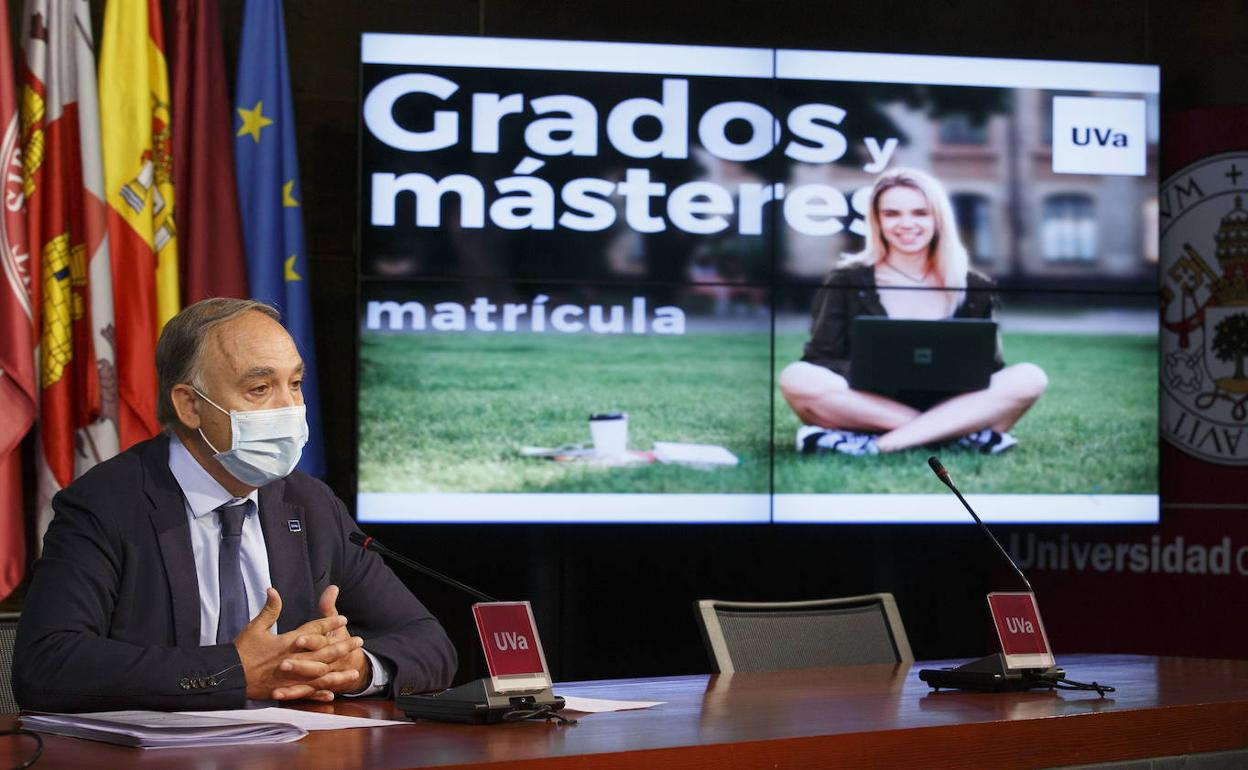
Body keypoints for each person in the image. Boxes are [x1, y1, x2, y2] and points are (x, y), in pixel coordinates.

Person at [14, 298, 457, 712]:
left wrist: (354, 669)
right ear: (189, 405)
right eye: (260, 388)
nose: (289, 407)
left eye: (296, 384)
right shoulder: (107, 504)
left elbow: (430, 643)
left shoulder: (310, 503)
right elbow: (47, 663)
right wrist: (233, 671)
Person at [779, 168, 1048, 456]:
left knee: (1030, 377)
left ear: (938, 218)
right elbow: (820, 358)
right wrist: (872, 371)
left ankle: (876, 446)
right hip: (869, 406)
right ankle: (954, 435)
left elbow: (989, 371)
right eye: (892, 214)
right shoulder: (847, 280)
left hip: (951, 403)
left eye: (920, 213)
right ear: (877, 221)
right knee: (797, 376)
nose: (906, 224)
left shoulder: (973, 287)